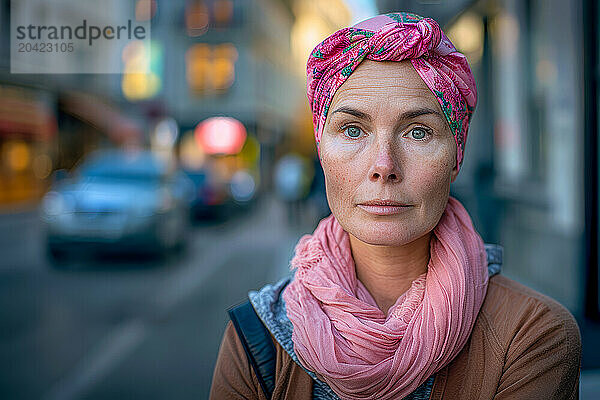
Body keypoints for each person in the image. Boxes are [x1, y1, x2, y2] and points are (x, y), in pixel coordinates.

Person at [210, 12, 581, 400]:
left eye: (418, 132)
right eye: (353, 130)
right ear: (321, 151)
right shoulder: (255, 337)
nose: (384, 166)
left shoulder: (534, 336)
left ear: (456, 156)